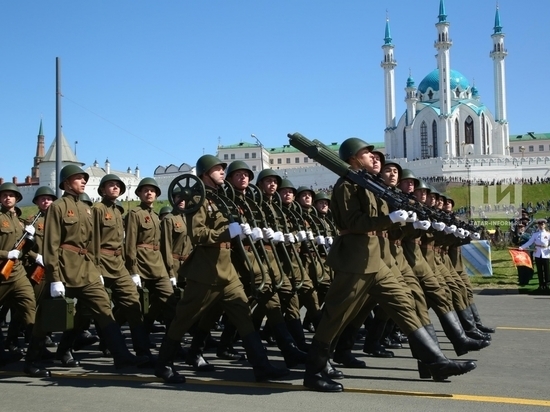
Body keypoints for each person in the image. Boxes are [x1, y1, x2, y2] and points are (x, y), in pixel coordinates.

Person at [302, 138, 476, 392]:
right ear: (353, 159)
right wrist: (389, 218)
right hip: (357, 260)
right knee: (335, 316)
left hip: (380, 260)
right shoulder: (347, 186)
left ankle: (435, 361)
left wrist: (405, 220)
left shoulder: (373, 185)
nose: (374, 158)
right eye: (366, 154)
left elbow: (386, 223)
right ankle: (314, 371)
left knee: (404, 305)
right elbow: (356, 222)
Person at [154, 154, 289, 384]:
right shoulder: (198, 199)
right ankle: (163, 364)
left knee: (244, 316)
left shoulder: (220, 199)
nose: (222, 172)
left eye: (222, 169)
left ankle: (262, 366)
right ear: (204, 174)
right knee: (183, 319)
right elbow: (197, 235)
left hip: (227, 270)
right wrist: (229, 232)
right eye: (217, 169)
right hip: (206, 271)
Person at [26, 165, 149, 377]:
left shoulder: (87, 208)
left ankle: (121, 356)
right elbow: (51, 244)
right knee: (46, 315)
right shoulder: (58, 206)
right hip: (64, 269)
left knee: (104, 309)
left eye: (84, 178)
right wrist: (54, 277)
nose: (83, 181)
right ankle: (31, 360)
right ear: (65, 183)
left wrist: (95, 267)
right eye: (78, 178)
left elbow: (92, 242)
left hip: (87, 270)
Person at [94, 173, 154, 363]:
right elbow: (92, 241)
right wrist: (95, 268)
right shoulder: (97, 209)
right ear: (102, 189)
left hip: (118, 264)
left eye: (117, 185)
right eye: (110, 185)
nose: (115, 188)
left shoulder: (119, 212)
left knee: (133, 303)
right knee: (92, 312)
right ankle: (65, 348)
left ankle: (143, 352)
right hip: (102, 262)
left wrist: (130, 269)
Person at [125, 177, 176, 343]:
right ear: (139, 193)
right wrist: (133, 270)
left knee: (170, 301)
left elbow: (161, 245)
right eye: (145, 190)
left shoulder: (155, 216)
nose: (149, 193)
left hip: (158, 264)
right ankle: (133, 341)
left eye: (152, 190)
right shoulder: (135, 214)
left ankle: (172, 343)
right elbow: (130, 242)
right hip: (141, 263)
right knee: (136, 306)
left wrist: (169, 271)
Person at [0, 183, 37, 368]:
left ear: (17, 199)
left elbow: (24, 247)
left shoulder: (19, 220)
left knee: (30, 306)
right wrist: (6, 254)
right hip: (1, 272)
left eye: (11, 195)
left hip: (18, 272)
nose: (8, 198)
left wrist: (29, 236)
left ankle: (34, 355)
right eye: (4, 195)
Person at [519, 219, 550, 291]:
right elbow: (530, 242)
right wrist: (522, 247)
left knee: (546, 270)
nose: (541, 226)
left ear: (545, 225)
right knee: (539, 270)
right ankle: (541, 285)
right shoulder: (535, 234)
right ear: (538, 225)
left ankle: (547, 285)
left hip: (546, 253)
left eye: (542, 224)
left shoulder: (548, 234)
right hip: (538, 253)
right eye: (540, 225)